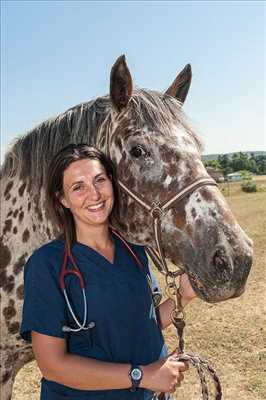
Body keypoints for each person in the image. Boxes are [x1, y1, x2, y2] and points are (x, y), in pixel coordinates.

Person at [20, 143, 196, 400]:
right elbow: (53, 365)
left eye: (99, 180)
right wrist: (142, 376)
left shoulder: (134, 248)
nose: (94, 194)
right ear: (62, 199)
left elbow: (146, 322)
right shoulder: (47, 265)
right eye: (78, 187)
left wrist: (184, 295)